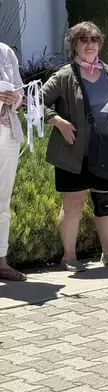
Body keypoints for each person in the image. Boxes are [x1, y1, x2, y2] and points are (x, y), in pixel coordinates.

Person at [42, 21, 108, 272]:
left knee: (105, 201)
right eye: (83, 40)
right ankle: (69, 257)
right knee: (73, 203)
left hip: (106, 147)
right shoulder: (65, 75)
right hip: (74, 150)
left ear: (99, 43)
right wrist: (57, 121)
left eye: (93, 40)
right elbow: (37, 99)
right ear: (75, 45)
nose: (89, 44)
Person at [0, 42, 26, 281]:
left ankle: (1, 261)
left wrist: (14, 97)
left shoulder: (6, 51)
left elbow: (20, 93)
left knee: (3, 199)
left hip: (7, 131)